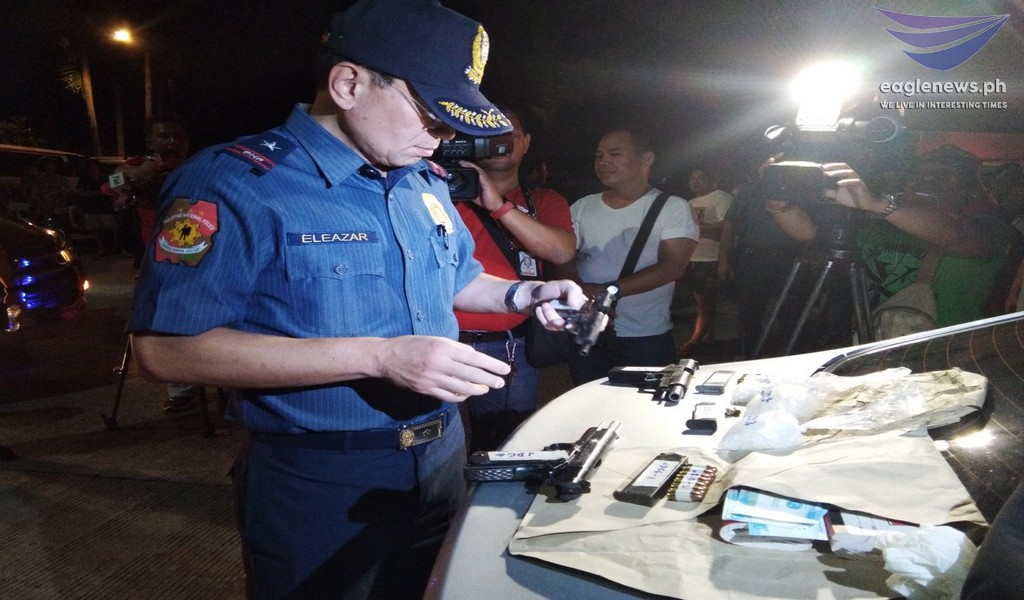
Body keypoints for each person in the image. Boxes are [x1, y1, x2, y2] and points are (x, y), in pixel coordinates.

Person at [127, 1, 585, 598]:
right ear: (348, 84)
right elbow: (165, 351)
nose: (444, 138)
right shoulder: (235, 182)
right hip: (321, 477)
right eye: (432, 116)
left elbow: (458, 279)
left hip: (443, 453)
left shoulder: (421, 179)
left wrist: (528, 291)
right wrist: (379, 357)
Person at [767, 146, 1010, 339]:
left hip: (947, 351)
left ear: (967, 191)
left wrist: (877, 204)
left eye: (944, 176)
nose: (928, 180)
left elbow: (955, 236)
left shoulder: (989, 226)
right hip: (874, 344)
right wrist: (778, 200)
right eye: (920, 175)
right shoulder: (879, 224)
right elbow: (809, 234)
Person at [454, 107, 575, 452]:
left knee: (505, 443)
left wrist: (499, 206)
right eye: (487, 132)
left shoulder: (544, 200)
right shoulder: (443, 194)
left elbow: (561, 251)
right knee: (435, 441)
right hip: (440, 337)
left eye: (509, 132)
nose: (499, 141)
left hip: (509, 344)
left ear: (525, 142)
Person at [566, 128, 699, 385]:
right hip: (588, 330)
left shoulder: (673, 207)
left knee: (643, 403)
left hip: (645, 335)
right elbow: (563, 256)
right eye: (599, 156)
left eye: (615, 154)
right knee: (587, 400)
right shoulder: (582, 206)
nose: (603, 162)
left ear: (646, 159)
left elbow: (672, 267)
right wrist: (579, 290)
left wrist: (607, 293)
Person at [103, 114, 198, 412]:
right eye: (164, 136)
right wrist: (146, 170)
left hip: (200, 252)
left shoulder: (200, 164)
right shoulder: (136, 166)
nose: (173, 142)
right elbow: (110, 185)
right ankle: (181, 388)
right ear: (150, 141)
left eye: (178, 137)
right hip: (156, 255)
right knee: (165, 322)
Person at [676, 166, 733, 356]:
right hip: (693, 257)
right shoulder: (690, 203)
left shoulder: (721, 197)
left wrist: (700, 227)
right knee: (700, 299)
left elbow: (728, 225)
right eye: (692, 178)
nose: (695, 182)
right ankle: (709, 338)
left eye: (700, 177)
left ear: (711, 179)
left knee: (704, 301)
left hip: (711, 257)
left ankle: (694, 341)